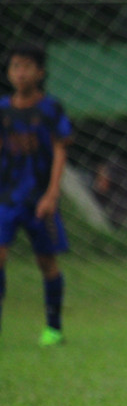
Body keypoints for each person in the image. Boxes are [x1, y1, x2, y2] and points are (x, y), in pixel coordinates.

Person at [0, 43, 73, 346]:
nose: (21, 73)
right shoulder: (3, 109)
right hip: (6, 198)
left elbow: (60, 150)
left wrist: (52, 193)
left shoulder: (51, 109)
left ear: (40, 72)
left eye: (27, 67)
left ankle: (53, 328)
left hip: (39, 199)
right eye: (15, 66)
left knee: (46, 263)